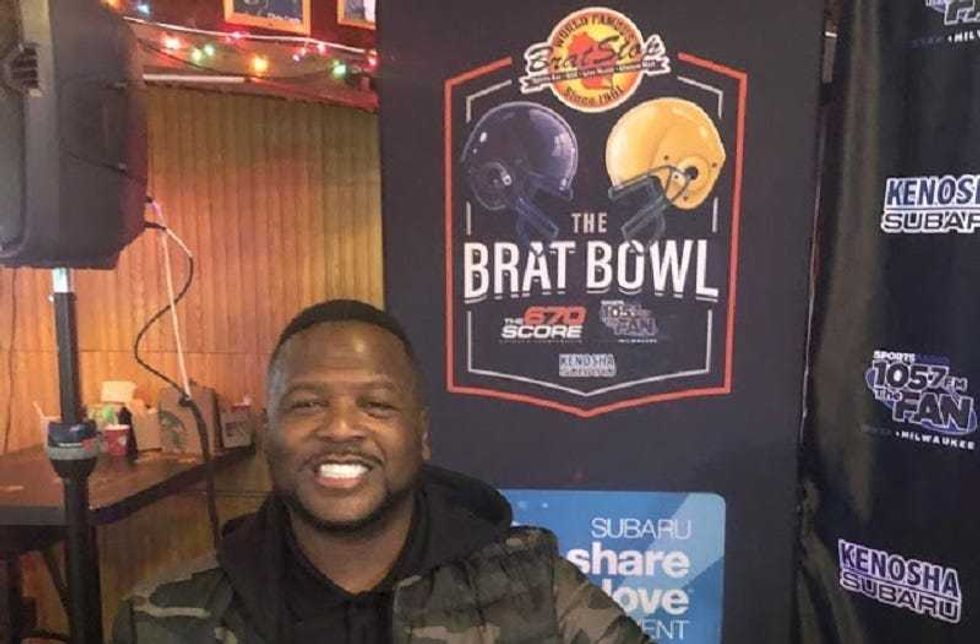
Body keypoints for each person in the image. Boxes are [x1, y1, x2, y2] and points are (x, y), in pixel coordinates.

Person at [112, 300, 651, 643]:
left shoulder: (538, 590)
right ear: (268, 432)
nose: (340, 428)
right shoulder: (163, 618)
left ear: (421, 435)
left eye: (376, 405)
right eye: (307, 404)